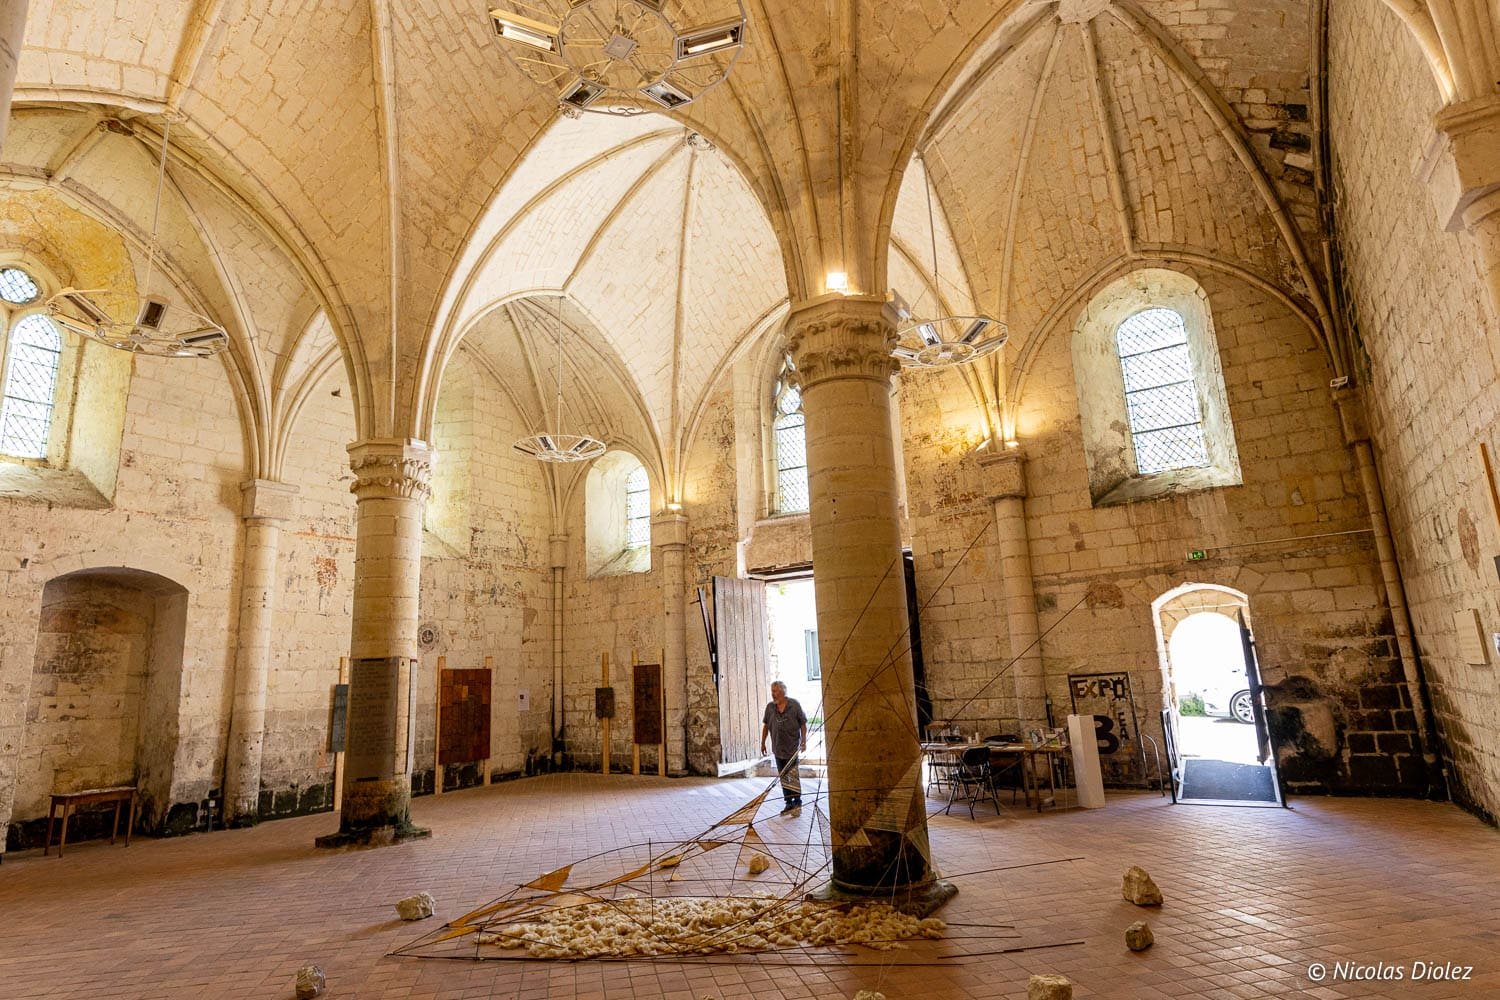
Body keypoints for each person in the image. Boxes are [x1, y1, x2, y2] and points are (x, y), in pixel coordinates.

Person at [760, 680, 807, 814]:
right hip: (777, 747)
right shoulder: (770, 707)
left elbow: (803, 724)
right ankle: (788, 803)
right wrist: (763, 742)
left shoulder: (794, 705)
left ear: (783, 692)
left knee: (793, 775)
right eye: (772, 691)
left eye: (775, 691)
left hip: (792, 747)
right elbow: (766, 726)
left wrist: (804, 741)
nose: (773, 694)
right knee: (783, 776)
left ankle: (797, 803)